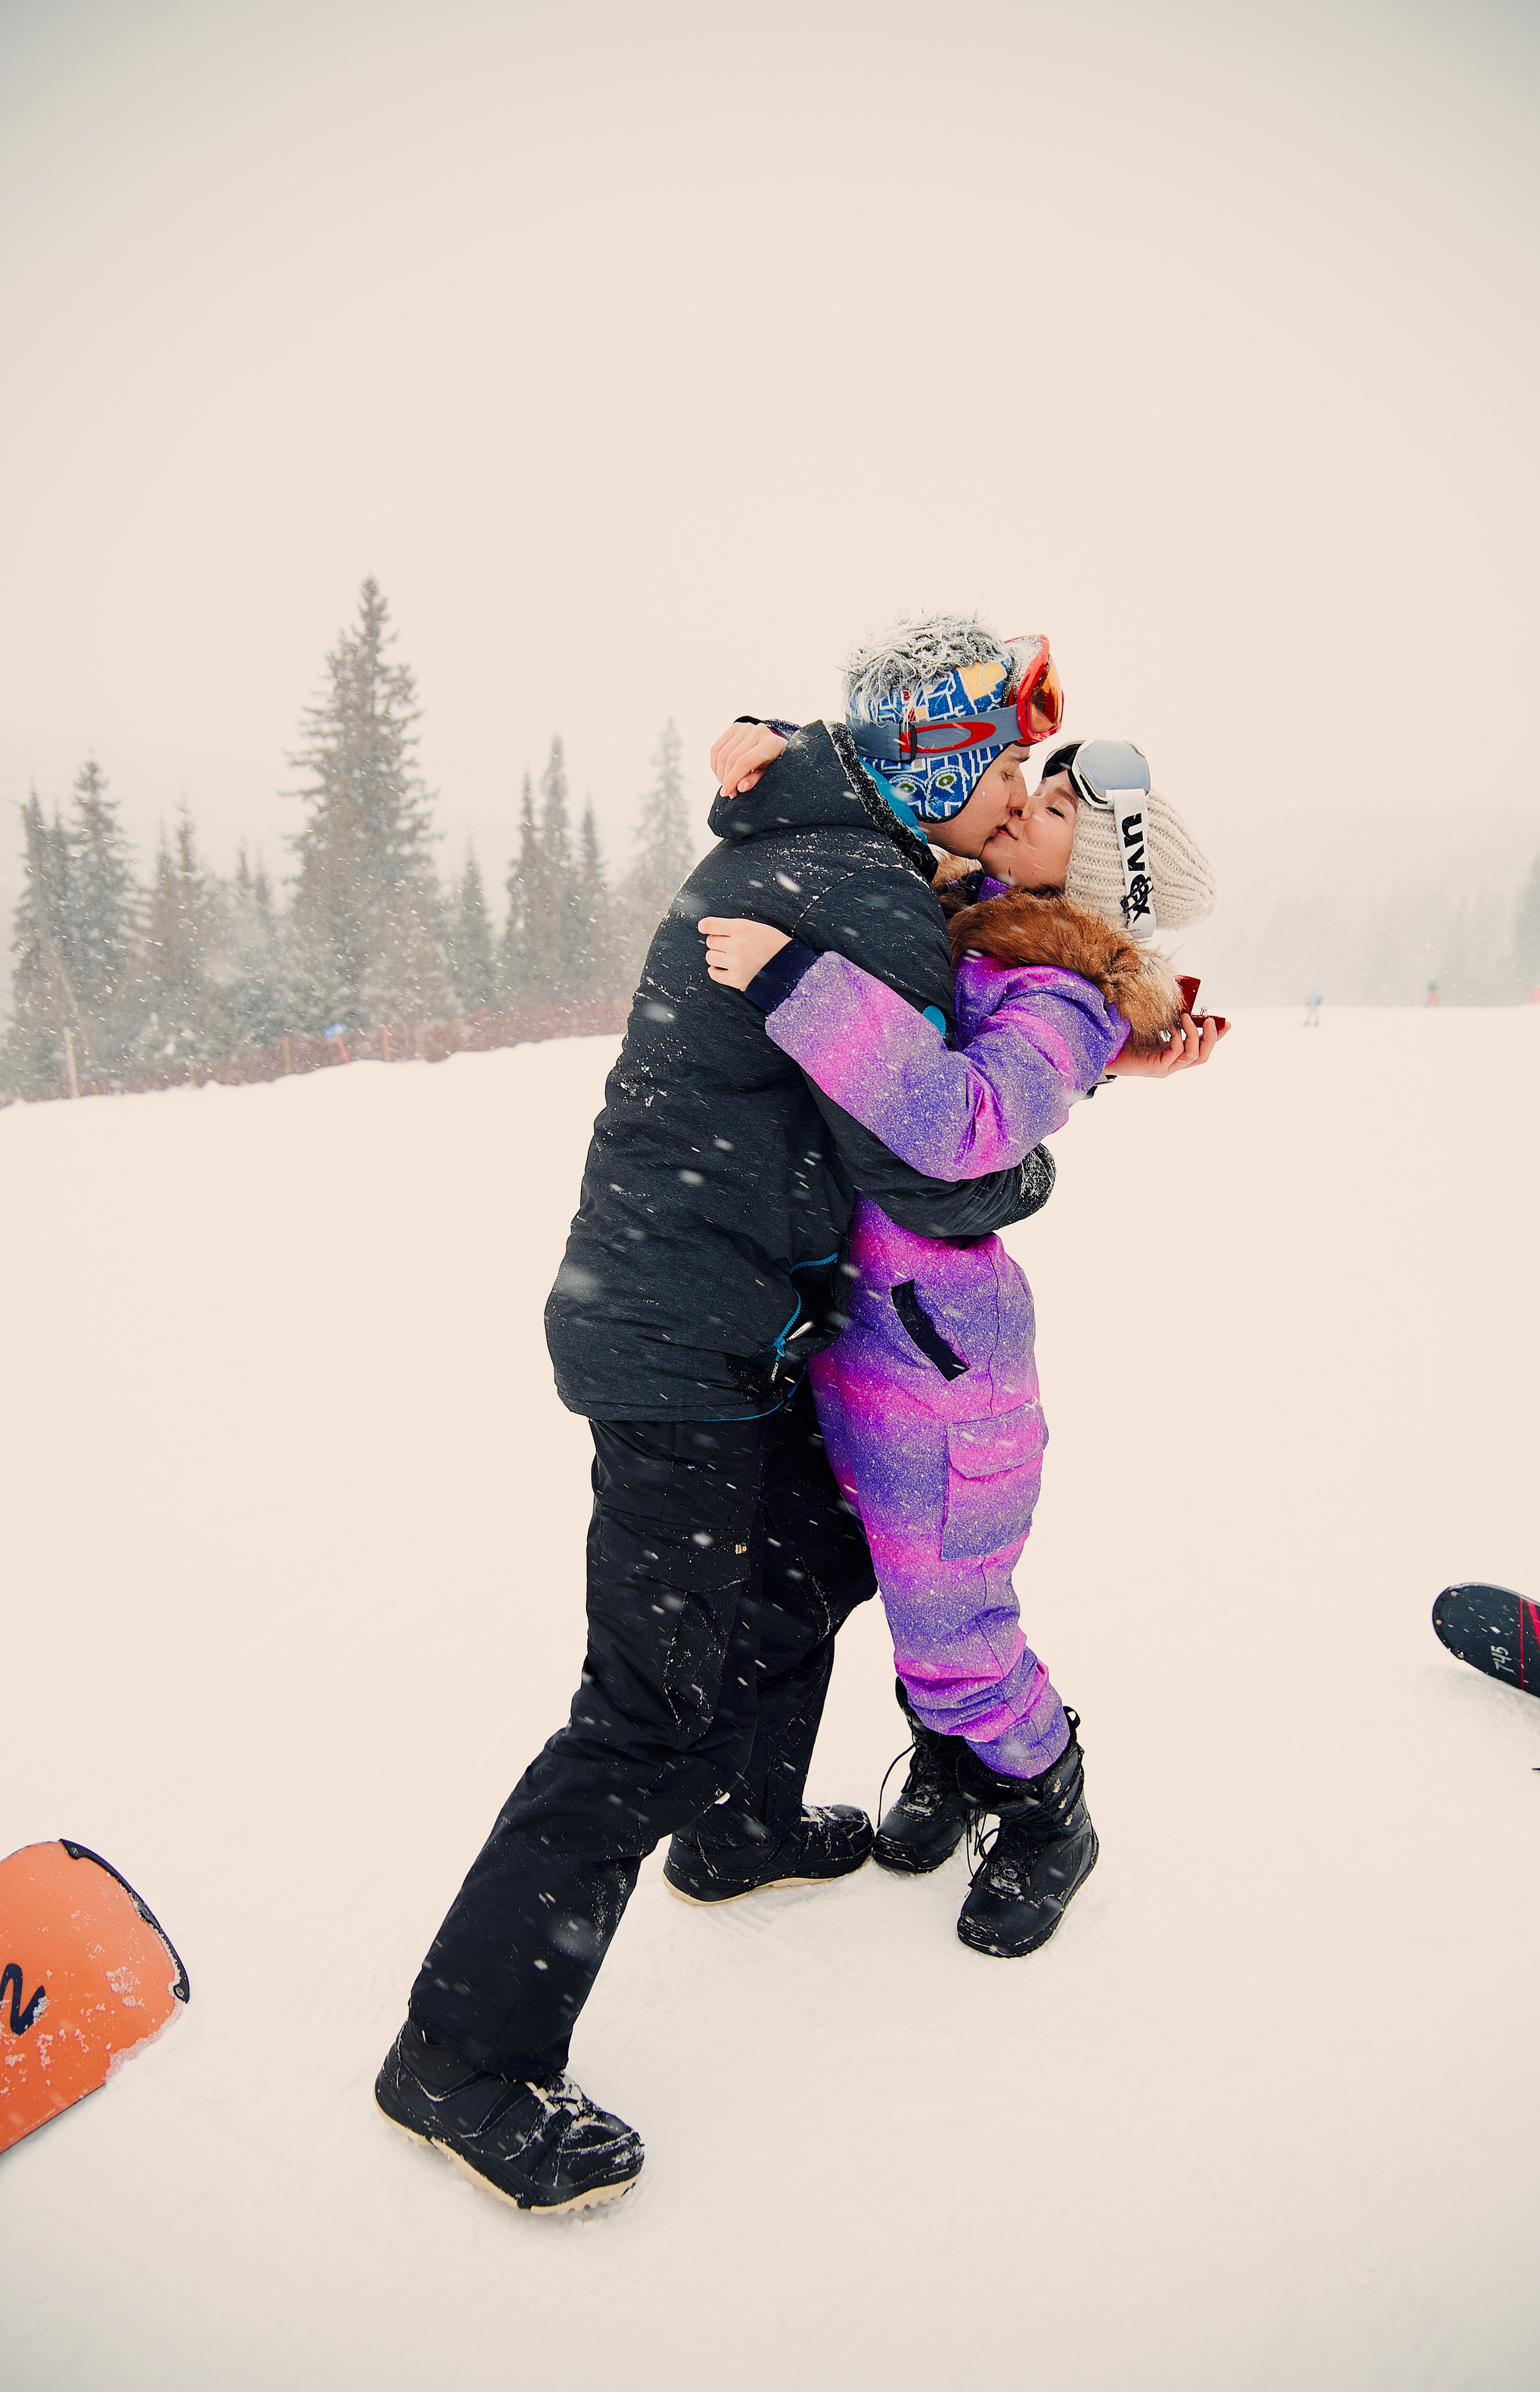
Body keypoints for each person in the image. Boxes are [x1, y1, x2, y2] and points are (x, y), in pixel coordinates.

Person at [374, 622, 1062, 2214]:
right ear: (934, 769)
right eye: (1004, 768)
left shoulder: (821, 843)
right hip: (683, 1342)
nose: (1020, 794)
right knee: (640, 1708)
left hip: (716, 1315)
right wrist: (1038, 1151)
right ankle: (459, 2061)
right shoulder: (864, 896)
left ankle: (741, 1825)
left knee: (812, 1554)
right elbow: (939, 1170)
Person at [702, 690, 1222, 1959]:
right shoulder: (986, 933)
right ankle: (952, 1762)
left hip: (945, 1364)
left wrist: (796, 981)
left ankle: (1047, 1812)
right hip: (872, 1345)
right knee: (906, 1584)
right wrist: (760, 755)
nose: (1016, 803)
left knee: (954, 1619)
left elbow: (960, 1125)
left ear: (1086, 871)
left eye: (1046, 808)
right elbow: (884, 790)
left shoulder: (1063, 989)